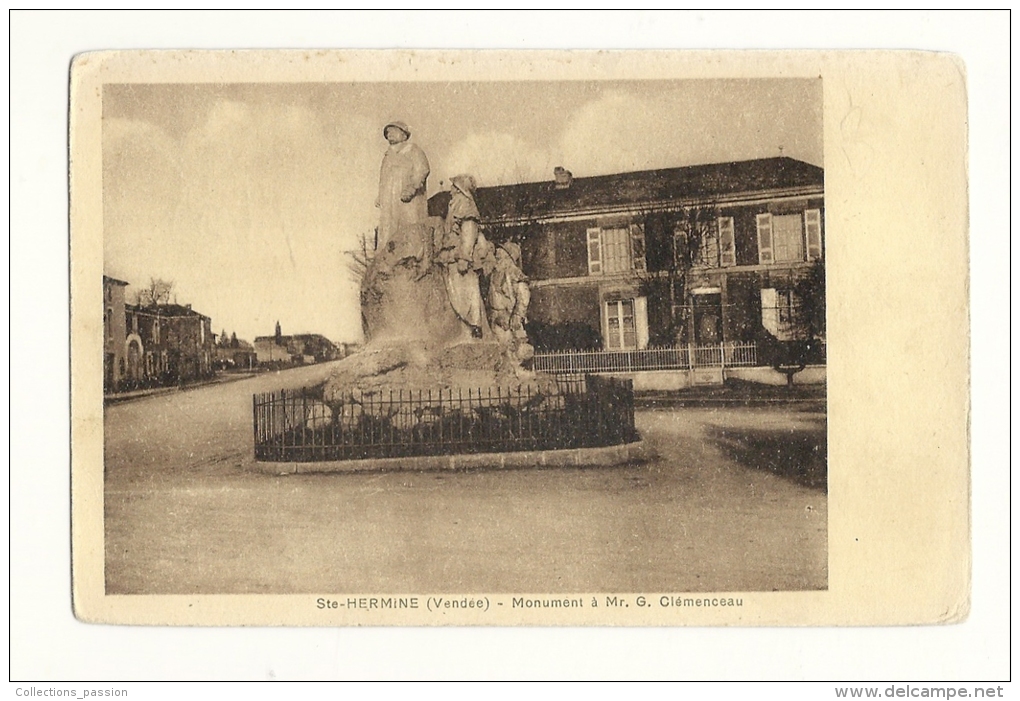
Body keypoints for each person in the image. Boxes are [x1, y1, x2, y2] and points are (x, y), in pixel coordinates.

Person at [436, 174, 494, 340]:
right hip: (452, 256)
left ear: (460, 189)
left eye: (454, 186)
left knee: (467, 293)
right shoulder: (455, 205)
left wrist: (464, 257)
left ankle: (474, 326)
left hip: (461, 258)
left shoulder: (466, 206)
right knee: (456, 294)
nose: (451, 189)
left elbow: (469, 234)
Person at [376, 121, 431, 272]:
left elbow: (423, 169)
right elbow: (383, 175)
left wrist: (413, 187)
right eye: (387, 133)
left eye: (393, 131)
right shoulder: (388, 155)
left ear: (403, 133)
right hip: (389, 197)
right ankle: (388, 256)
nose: (389, 135)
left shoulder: (413, 150)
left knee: (410, 224)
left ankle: (412, 256)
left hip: (407, 197)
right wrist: (380, 195)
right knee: (389, 225)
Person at [487, 240, 533, 363]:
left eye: (501, 255)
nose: (497, 256)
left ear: (508, 257)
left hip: (507, 317)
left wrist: (517, 316)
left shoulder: (513, 273)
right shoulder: (495, 273)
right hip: (495, 316)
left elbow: (524, 295)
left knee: (510, 352)